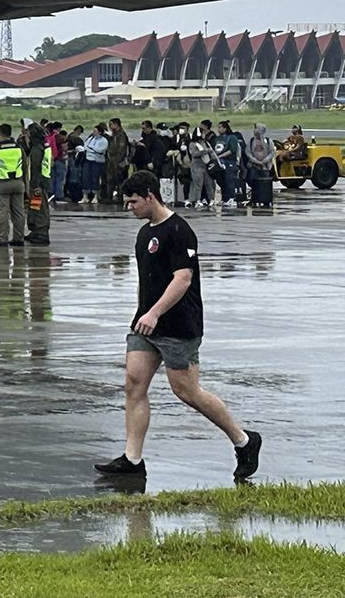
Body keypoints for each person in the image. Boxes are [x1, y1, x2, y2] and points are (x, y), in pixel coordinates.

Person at [94, 171, 261, 480]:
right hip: (145, 325)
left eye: (132, 202)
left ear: (150, 196)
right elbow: (147, 281)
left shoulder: (179, 231)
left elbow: (182, 279)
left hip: (178, 325)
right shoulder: (145, 233)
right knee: (133, 384)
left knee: (186, 391)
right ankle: (132, 460)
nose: (129, 208)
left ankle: (244, 441)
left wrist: (155, 313)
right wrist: (142, 313)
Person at [0, 123, 27, 247]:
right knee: (19, 212)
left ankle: (3, 238)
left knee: (2, 212)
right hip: (18, 183)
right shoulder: (19, 147)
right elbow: (25, 165)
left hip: (2, 183)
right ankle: (19, 238)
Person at [23, 121, 52, 245]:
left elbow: (36, 167)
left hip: (38, 183)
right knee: (35, 206)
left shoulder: (36, 149)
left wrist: (37, 185)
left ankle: (41, 232)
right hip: (42, 181)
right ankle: (36, 231)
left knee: (40, 208)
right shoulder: (44, 147)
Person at [245, 123, 275, 209]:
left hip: (265, 166)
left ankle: (266, 199)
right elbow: (248, 152)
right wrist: (256, 161)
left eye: (257, 128)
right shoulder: (251, 141)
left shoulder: (268, 141)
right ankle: (254, 199)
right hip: (254, 166)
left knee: (265, 183)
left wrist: (265, 161)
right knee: (253, 182)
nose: (255, 131)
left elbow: (272, 152)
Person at [215, 121, 244, 207]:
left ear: (225, 128)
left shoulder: (232, 138)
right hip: (219, 163)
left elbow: (232, 150)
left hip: (229, 162)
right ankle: (225, 198)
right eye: (218, 127)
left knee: (230, 180)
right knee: (222, 181)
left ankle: (232, 197)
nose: (218, 129)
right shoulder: (217, 139)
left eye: (220, 127)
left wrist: (221, 156)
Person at [82, 124, 109, 203]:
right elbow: (85, 146)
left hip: (97, 161)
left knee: (95, 178)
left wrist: (91, 148)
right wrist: (90, 149)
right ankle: (85, 196)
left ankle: (95, 196)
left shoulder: (104, 141)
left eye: (95, 131)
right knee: (85, 178)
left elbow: (100, 150)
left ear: (100, 132)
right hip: (88, 160)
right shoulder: (90, 139)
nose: (93, 133)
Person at [105, 118, 130, 201]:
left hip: (118, 161)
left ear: (116, 124)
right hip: (111, 160)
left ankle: (120, 198)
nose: (110, 126)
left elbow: (122, 150)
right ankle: (109, 197)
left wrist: (117, 161)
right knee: (110, 180)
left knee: (119, 180)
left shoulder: (121, 135)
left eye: (111, 124)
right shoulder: (113, 135)